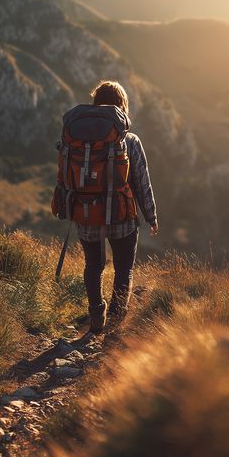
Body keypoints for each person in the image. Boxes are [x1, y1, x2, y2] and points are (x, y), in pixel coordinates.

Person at [77, 81, 158, 334]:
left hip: (87, 212)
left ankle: (96, 314)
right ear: (122, 105)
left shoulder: (77, 137)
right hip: (122, 216)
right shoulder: (129, 140)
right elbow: (142, 182)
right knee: (124, 267)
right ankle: (116, 319)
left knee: (93, 265)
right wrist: (151, 216)